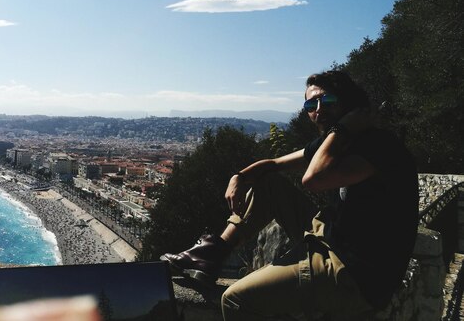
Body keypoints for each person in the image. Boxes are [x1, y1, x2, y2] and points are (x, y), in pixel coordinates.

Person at [161, 70, 419, 320]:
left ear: (348, 104)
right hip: (331, 238)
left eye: (327, 100)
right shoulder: (335, 142)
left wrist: (342, 129)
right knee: (269, 183)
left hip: (356, 273)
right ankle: (211, 253)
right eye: (311, 104)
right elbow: (274, 165)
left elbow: (314, 180)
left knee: (235, 300)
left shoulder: (378, 145)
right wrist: (239, 176)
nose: (319, 109)